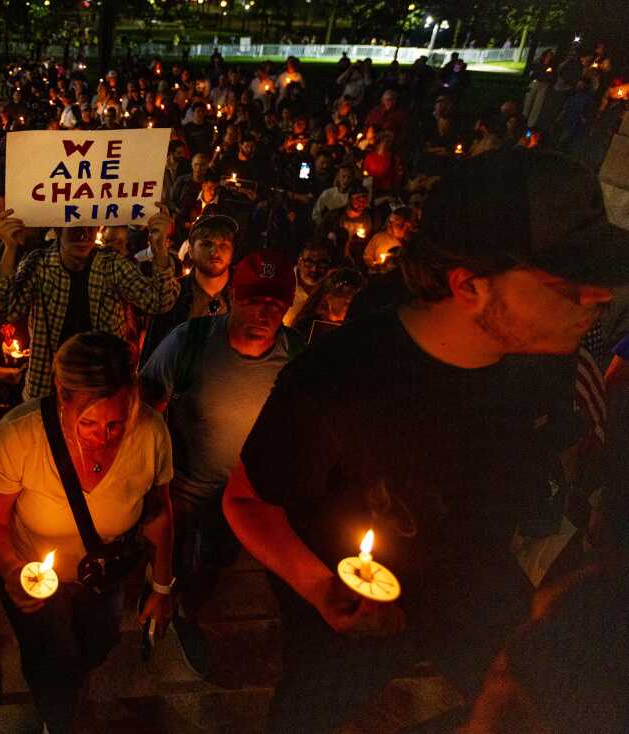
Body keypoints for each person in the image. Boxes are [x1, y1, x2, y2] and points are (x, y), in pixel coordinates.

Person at [221, 149, 628, 732]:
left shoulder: (546, 361)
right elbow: (245, 500)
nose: (599, 297)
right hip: (347, 614)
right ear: (469, 286)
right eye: (569, 281)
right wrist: (320, 592)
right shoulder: (338, 382)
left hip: (473, 591)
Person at [0, 332, 175, 734]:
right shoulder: (20, 435)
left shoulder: (151, 432)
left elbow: (159, 512)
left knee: (99, 643)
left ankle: (69, 680)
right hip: (35, 580)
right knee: (50, 659)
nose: (103, 438)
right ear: (61, 395)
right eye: (89, 422)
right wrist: (13, 569)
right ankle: (56, 718)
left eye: (117, 423)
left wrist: (162, 587)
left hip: (105, 575)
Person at [140, 250, 302, 676]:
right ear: (233, 296)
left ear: (288, 304)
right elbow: (146, 410)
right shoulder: (188, 343)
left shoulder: (298, 360)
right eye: (252, 299)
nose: (263, 311)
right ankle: (167, 612)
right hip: (187, 494)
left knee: (216, 568)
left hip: (250, 500)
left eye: (274, 302)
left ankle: (192, 614)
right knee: (173, 567)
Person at [0, 205, 179, 400]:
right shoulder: (38, 264)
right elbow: (2, 311)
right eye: (76, 227)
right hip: (47, 391)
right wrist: (9, 248)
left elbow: (159, 302)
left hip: (104, 388)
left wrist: (159, 247)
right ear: (59, 229)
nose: (84, 235)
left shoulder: (111, 264)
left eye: (91, 227)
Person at [141, 214, 235, 365]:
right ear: (190, 251)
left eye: (223, 245)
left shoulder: (242, 299)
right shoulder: (172, 295)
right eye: (206, 244)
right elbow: (154, 353)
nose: (215, 252)